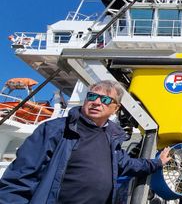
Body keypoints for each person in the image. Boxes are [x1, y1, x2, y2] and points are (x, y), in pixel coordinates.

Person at [0, 80, 171, 204]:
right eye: (92, 97)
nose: (96, 102)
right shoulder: (55, 130)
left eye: (105, 100)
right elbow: (19, 178)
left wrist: (157, 163)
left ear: (116, 108)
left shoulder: (111, 138)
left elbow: (127, 164)